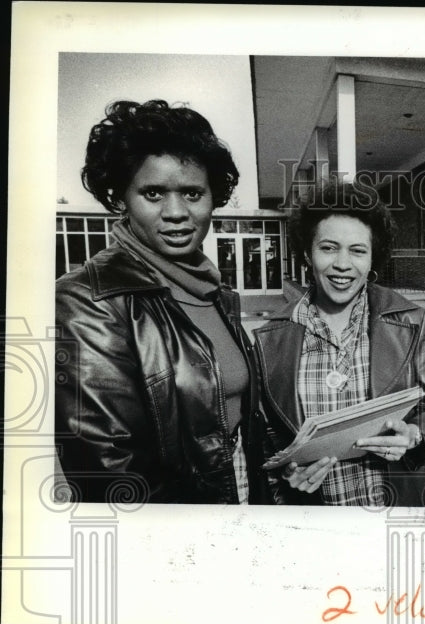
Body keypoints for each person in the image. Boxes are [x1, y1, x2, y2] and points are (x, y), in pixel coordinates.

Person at [55, 99, 273, 504]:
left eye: (192, 193)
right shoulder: (88, 299)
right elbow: (109, 471)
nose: (176, 212)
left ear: (213, 198)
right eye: (152, 193)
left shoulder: (215, 294)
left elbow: (237, 421)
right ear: (122, 197)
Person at [254, 182, 425, 506]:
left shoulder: (410, 321)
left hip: (399, 520)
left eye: (358, 250)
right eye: (329, 248)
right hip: (319, 534)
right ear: (307, 253)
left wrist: (414, 435)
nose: (343, 264)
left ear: (374, 256)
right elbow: (267, 441)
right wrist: (288, 472)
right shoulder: (269, 340)